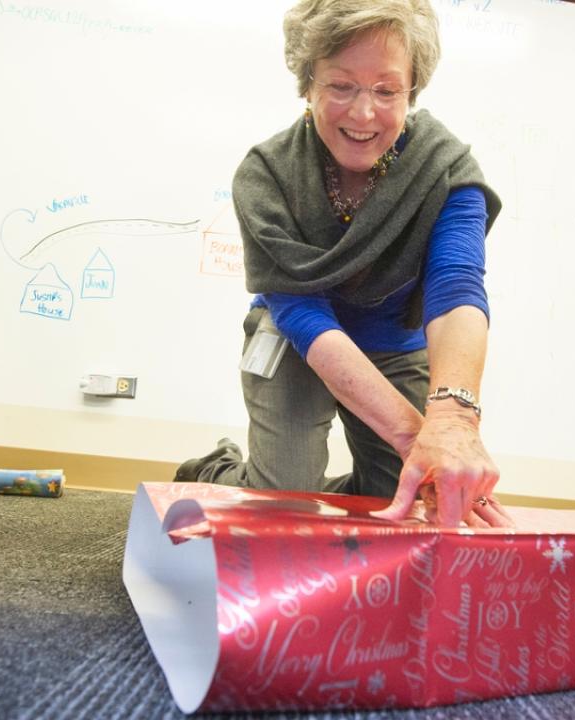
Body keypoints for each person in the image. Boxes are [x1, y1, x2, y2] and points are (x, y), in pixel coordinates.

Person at [176, 0, 506, 528]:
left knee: (393, 502)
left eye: (386, 90)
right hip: (295, 335)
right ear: (308, 84)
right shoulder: (266, 175)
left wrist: (450, 419)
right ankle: (219, 470)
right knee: (284, 495)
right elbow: (305, 317)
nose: (363, 113)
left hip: (395, 341)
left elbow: (457, 287)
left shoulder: (446, 170)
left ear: (411, 90)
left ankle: (318, 493)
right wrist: (412, 437)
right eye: (341, 85)